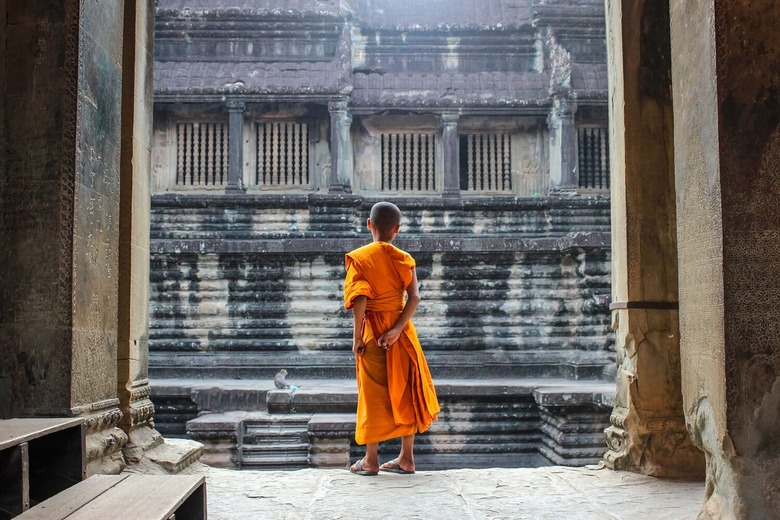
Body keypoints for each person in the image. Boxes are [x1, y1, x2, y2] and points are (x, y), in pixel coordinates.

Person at [343, 201, 440, 476]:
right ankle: (406, 458)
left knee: (372, 393)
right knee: (406, 390)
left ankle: (371, 460)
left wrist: (357, 337)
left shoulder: (360, 258)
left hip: (373, 331)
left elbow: (360, 296)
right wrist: (397, 329)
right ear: (396, 230)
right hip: (402, 332)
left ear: (369, 225)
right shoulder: (404, 258)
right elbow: (415, 297)